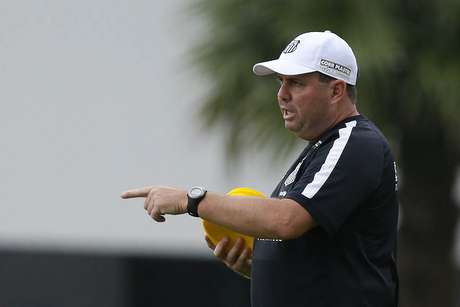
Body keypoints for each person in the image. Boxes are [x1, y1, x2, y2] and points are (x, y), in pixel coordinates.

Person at [121, 30, 399, 307]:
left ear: (336, 90)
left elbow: (286, 220)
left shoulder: (355, 141)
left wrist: (190, 199)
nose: (282, 95)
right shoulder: (324, 147)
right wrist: (260, 268)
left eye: (296, 83)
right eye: (281, 82)